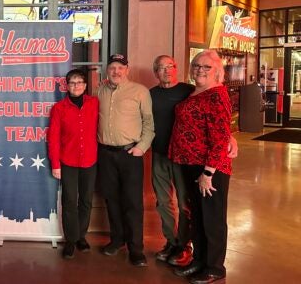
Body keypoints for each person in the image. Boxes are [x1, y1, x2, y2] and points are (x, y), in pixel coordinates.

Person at [150, 55, 239, 268]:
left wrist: (229, 138)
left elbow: (219, 124)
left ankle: (190, 250)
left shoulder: (193, 90)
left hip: (197, 164)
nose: (166, 71)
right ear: (155, 72)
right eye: (161, 68)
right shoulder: (153, 94)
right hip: (171, 156)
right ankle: (180, 248)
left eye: (170, 66)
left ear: (176, 67)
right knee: (175, 206)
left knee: (189, 206)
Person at [170, 50, 232, 284]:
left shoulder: (217, 95)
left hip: (209, 169)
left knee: (213, 218)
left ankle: (215, 267)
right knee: (197, 215)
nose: (199, 70)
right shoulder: (193, 91)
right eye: (196, 65)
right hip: (189, 163)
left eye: (206, 67)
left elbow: (220, 136)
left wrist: (208, 173)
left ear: (217, 71)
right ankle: (199, 260)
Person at [97, 54, 154, 267]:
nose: (116, 72)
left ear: (127, 70)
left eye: (120, 68)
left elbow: (149, 124)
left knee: (132, 203)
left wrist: (141, 147)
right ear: (107, 70)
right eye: (112, 67)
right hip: (105, 154)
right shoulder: (99, 91)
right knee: (111, 199)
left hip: (130, 154)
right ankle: (117, 240)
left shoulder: (140, 91)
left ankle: (136, 249)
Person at [47, 69, 99, 259]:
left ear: (85, 86)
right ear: (66, 86)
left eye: (79, 82)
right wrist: (55, 164)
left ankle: (81, 237)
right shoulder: (59, 108)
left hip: (90, 160)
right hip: (67, 161)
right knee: (69, 201)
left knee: (85, 200)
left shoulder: (94, 103)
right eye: (72, 83)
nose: (76, 86)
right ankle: (70, 240)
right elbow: (53, 138)